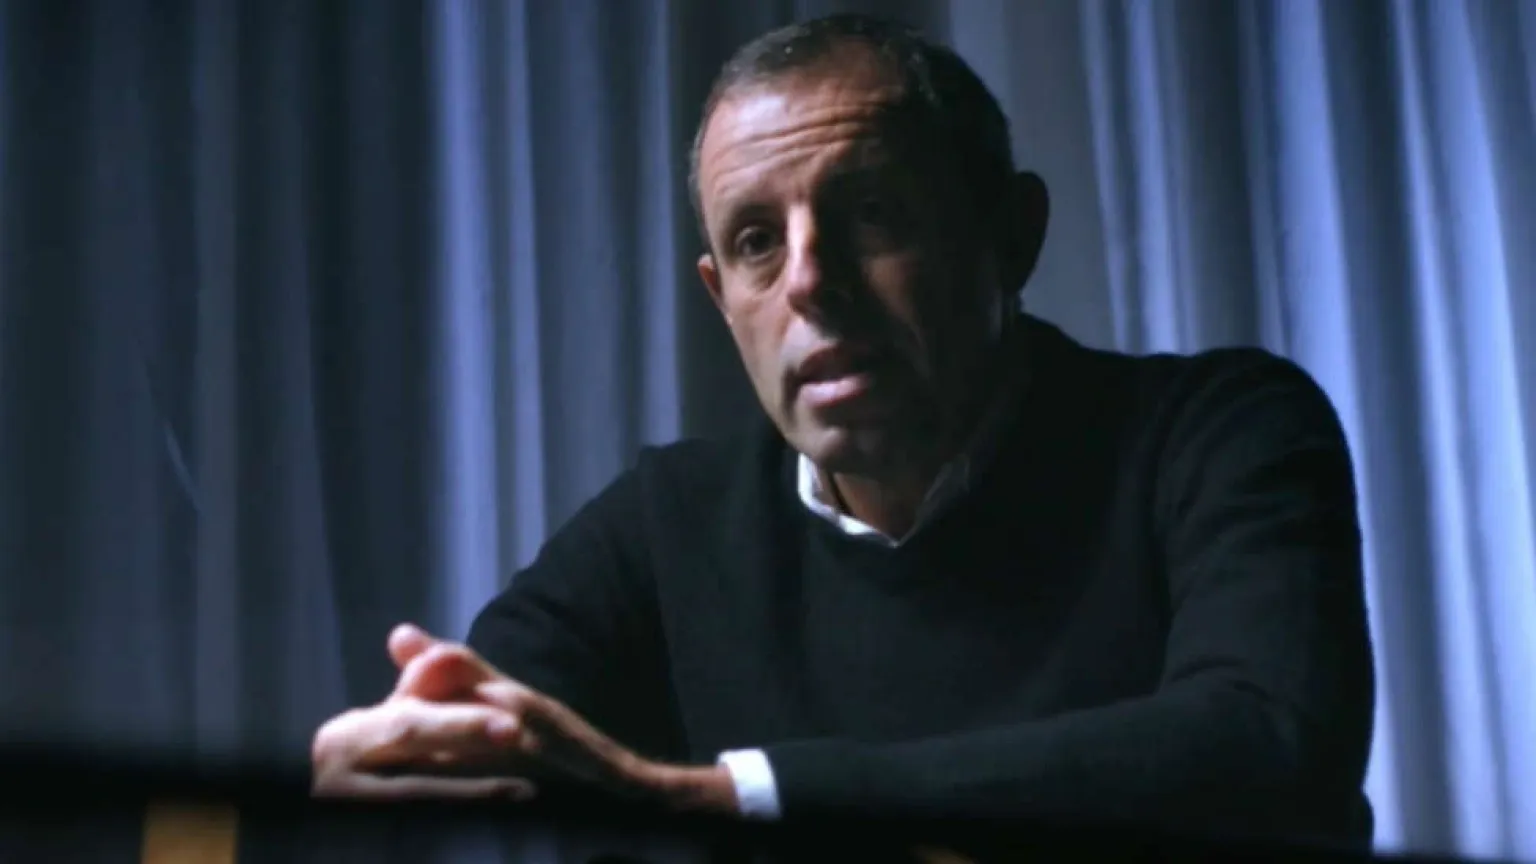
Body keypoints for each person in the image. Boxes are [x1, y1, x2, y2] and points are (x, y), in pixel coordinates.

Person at [311, 13, 1376, 849]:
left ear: (1011, 236)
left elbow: (1269, 748)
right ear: (721, 298)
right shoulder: (665, 524)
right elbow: (477, 747)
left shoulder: (1222, 431)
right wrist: (397, 765)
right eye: (757, 242)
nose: (810, 283)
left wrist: (743, 799)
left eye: (871, 213)